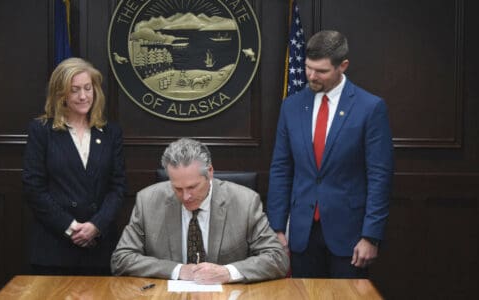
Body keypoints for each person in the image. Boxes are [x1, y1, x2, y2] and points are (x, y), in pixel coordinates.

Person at [267, 30, 394, 278]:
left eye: (321, 71)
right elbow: (281, 169)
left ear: (342, 66)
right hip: (302, 233)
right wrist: (277, 228)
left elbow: (380, 176)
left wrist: (371, 235)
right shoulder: (291, 106)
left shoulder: (370, 108)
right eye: (307, 68)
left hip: (350, 236)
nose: (312, 76)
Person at [111, 138, 289, 283]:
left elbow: (277, 258)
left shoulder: (245, 202)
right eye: (177, 189)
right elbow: (121, 259)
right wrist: (177, 270)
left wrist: (228, 272)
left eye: (192, 187)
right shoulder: (148, 201)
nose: (186, 196)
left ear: (210, 172)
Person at [22, 57, 126, 275]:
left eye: (88, 88)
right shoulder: (42, 130)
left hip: (99, 249)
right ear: (61, 95)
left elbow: (118, 188)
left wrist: (95, 226)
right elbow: (34, 188)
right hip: (54, 248)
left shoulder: (110, 133)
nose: (83, 96)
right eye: (75, 90)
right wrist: (70, 228)